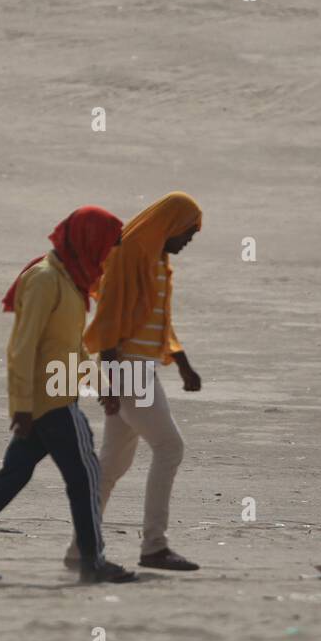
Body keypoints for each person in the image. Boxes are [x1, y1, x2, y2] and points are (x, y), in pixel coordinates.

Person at [0, 207, 137, 584]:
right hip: (51, 401)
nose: (109, 255)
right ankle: (93, 561)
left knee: (13, 475)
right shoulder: (45, 280)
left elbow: (71, 348)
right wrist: (22, 406)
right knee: (87, 476)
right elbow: (22, 346)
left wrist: (101, 386)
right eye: (108, 246)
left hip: (53, 396)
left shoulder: (71, 283)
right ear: (88, 241)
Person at [64, 192, 203, 572]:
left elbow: (158, 320)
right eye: (188, 232)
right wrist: (108, 379)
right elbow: (109, 318)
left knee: (111, 466)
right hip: (127, 368)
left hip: (140, 366)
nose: (189, 241)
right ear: (171, 224)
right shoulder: (130, 254)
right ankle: (154, 546)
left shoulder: (158, 259)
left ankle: (80, 551)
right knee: (170, 446)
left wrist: (182, 363)